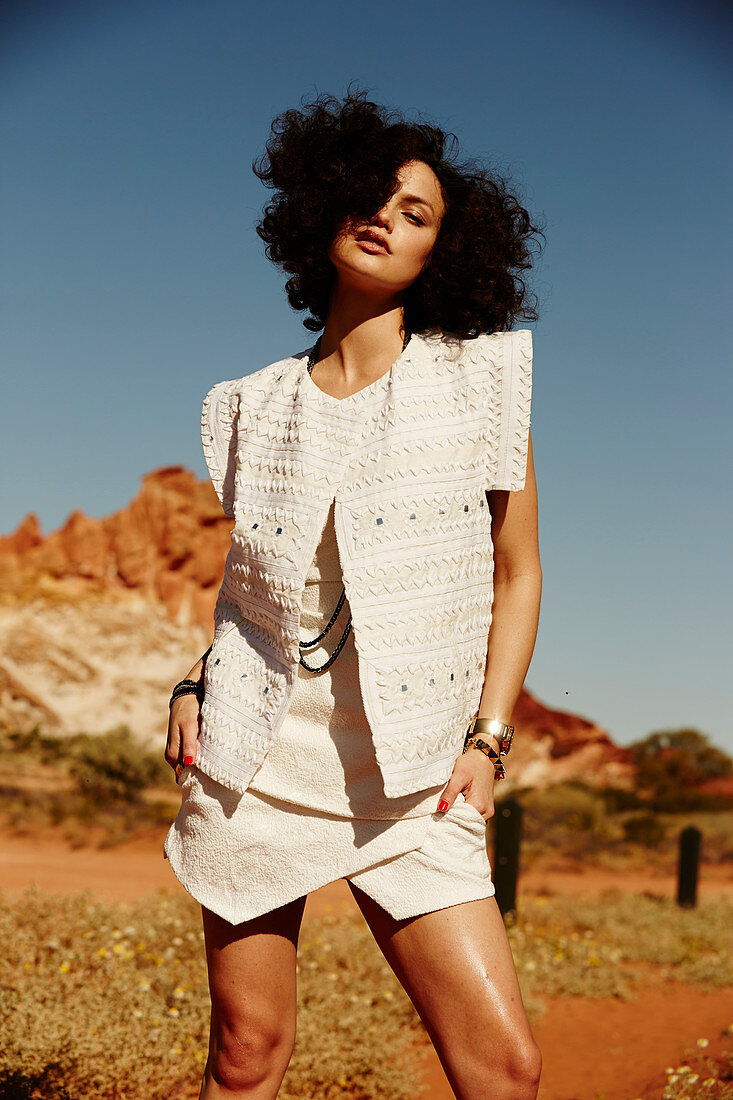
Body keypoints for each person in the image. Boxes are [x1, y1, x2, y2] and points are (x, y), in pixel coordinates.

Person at [163, 87, 545, 1100]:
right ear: (322, 205)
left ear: (442, 252)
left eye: (416, 212)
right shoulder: (248, 405)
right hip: (258, 760)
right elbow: (251, 596)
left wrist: (488, 738)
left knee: (503, 1066)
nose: (386, 216)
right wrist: (191, 682)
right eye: (371, 195)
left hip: (417, 773)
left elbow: (520, 572)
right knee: (246, 1053)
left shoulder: (481, 380)